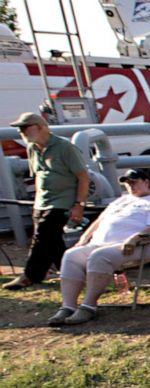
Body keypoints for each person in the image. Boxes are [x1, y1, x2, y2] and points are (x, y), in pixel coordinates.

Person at [45, 169, 150, 325]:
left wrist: (134, 239)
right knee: (71, 255)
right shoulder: (121, 201)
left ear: (146, 182)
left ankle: (88, 306)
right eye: (127, 183)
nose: (130, 186)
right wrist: (83, 239)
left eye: (134, 182)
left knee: (99, 256)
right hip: (100, 243)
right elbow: (99, 221)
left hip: (138, 245)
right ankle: (68, 306)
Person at [4, 112, 89, 291]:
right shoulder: (32, 148)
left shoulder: (65, 147)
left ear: (41, 127)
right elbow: (39, 175)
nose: (22, 132)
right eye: (20, 129)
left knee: (42, 237)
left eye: (26, 128)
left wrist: (79, 205)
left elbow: (83, 176)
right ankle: (71, 272)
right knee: (52, 241)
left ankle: (30, 275)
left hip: (62, 201)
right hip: (42, 201)